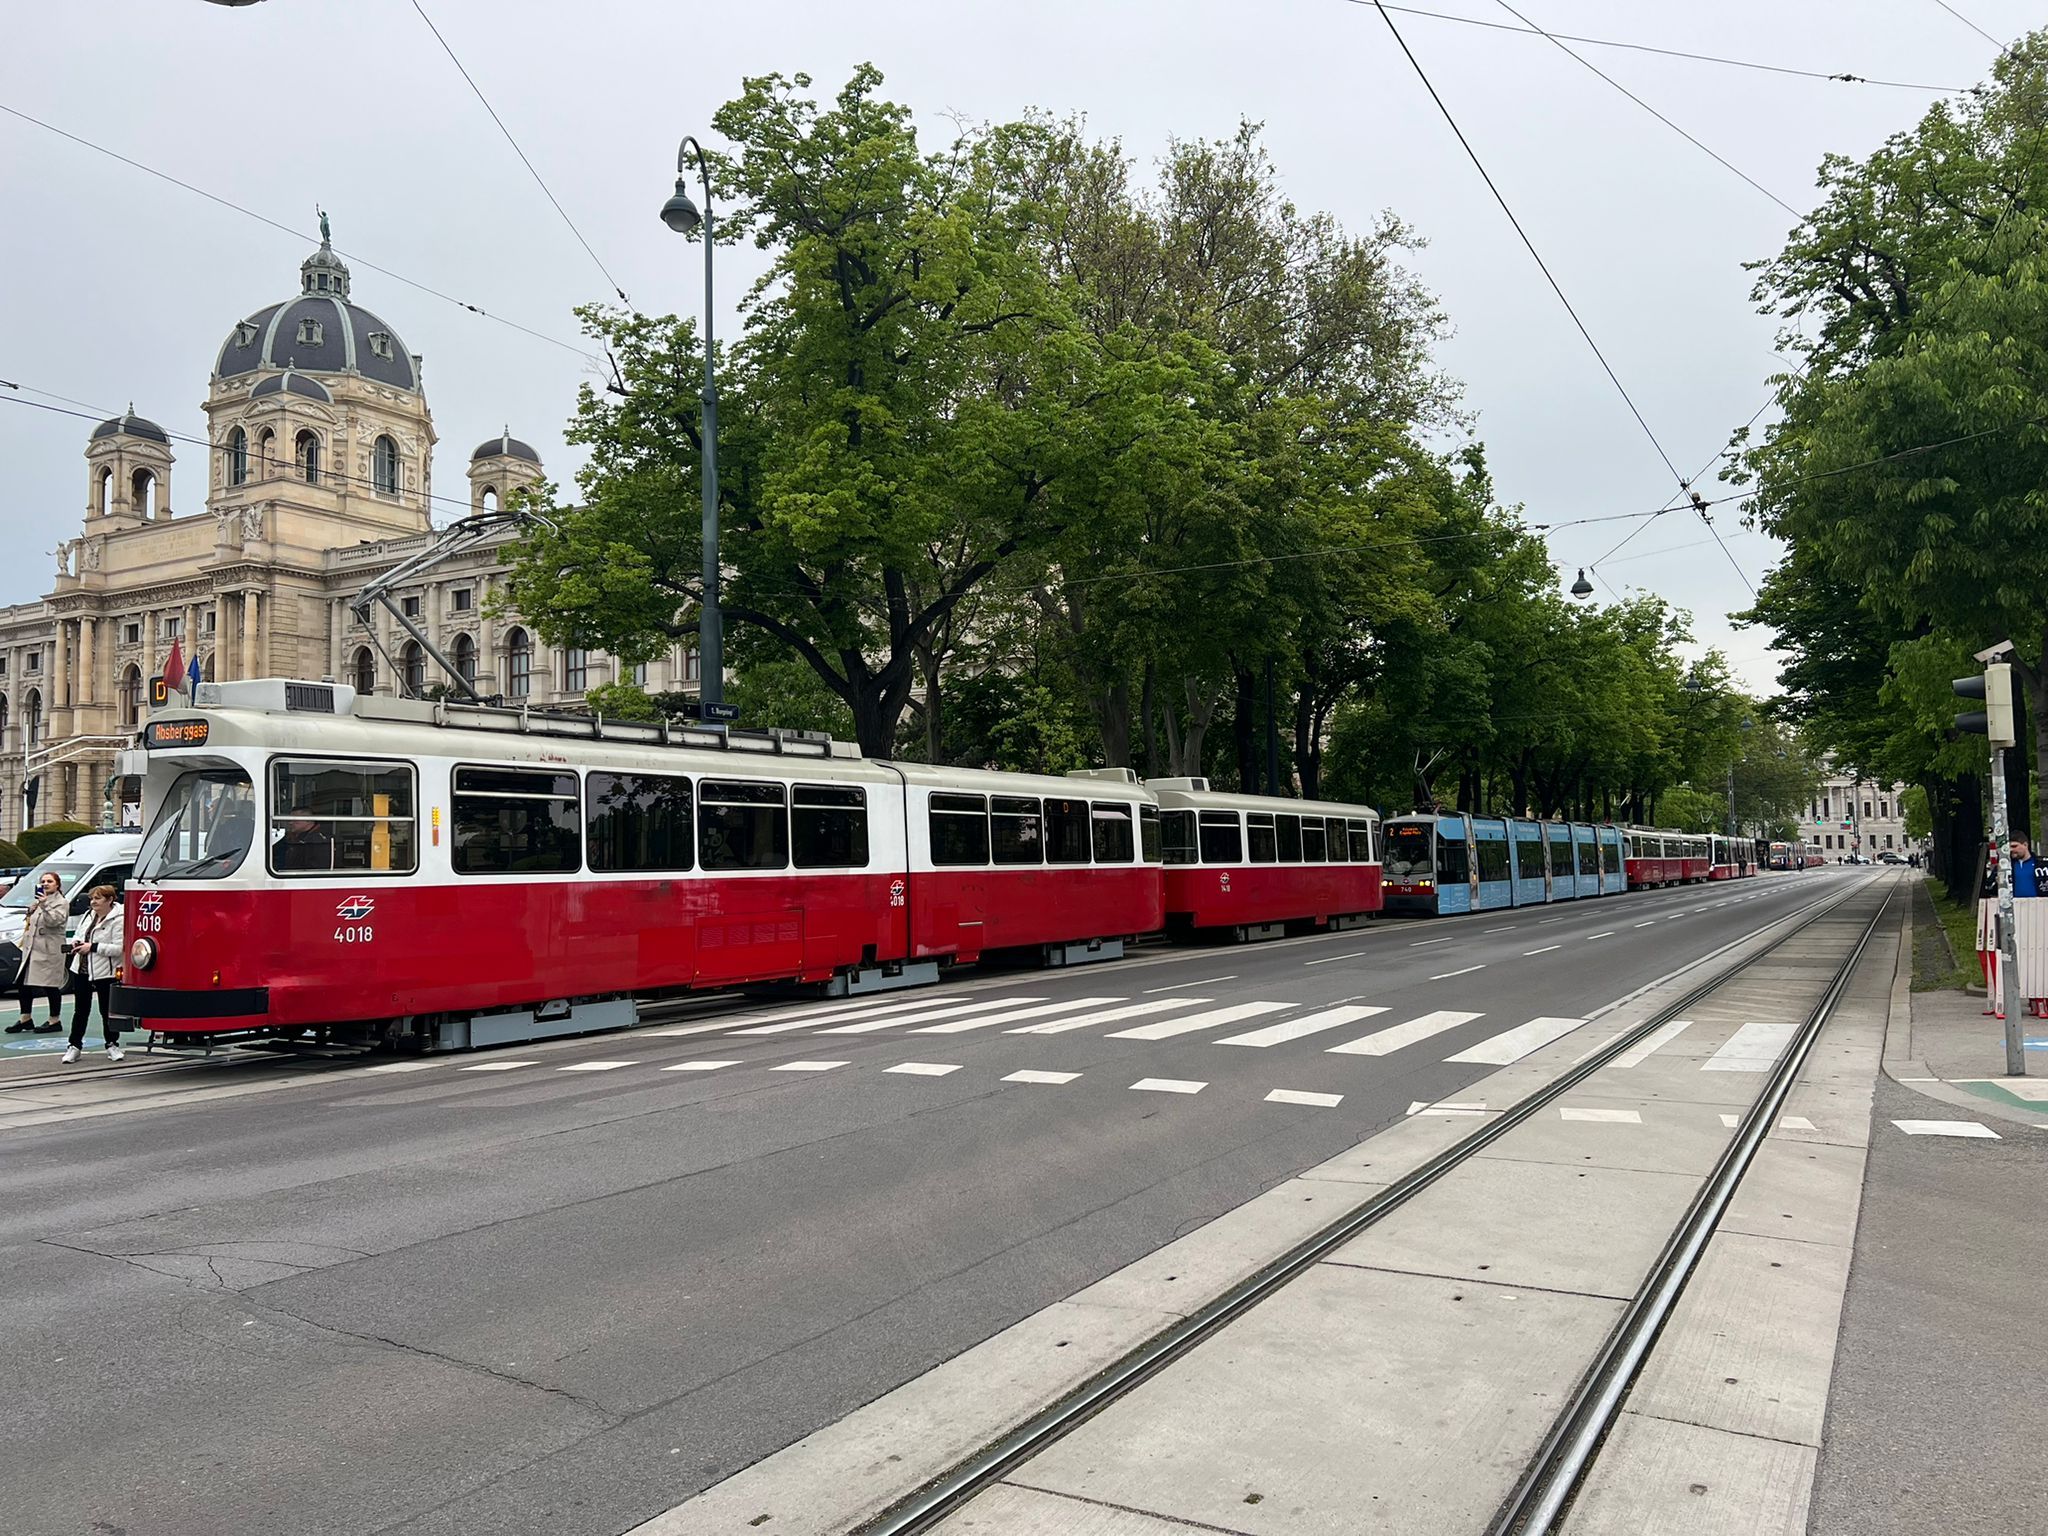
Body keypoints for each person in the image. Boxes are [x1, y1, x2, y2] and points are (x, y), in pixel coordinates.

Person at [62, 884, 125, 1064]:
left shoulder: (119, 919)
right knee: (80, 1010)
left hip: (106, 971)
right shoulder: (88, 915)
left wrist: (94, 947)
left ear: (110, 899)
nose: (93, 902)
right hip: (81, 968)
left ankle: (112, 1044)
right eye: (92, 899)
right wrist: (76, 944)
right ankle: (74, 1046)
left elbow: (119, 948)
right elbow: (79, 935)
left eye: (97, 898)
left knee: (107, 1011)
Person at [10, 870, 71, 1034]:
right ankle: (25, 1018)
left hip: (49, 949)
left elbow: (54, 921)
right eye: (43, 881)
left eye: (49, 881)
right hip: (33, 949)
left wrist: (44, 905)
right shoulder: (38, 901)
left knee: (50, 985)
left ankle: (54, 1020)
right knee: (23, 983)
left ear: (57, 885)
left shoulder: (61, 902)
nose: (45, 884)